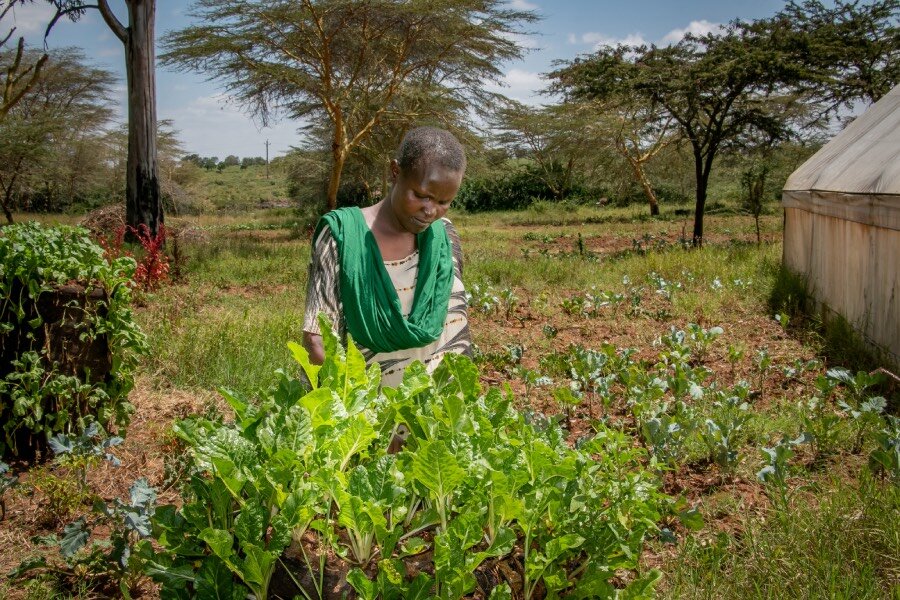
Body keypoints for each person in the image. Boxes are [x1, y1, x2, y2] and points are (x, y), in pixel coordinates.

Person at [302, 126, 471, 387]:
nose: (430, 211)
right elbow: (318, 340)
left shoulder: (445, 235)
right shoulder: (342, 236)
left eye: (443, 201)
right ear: (395, 171)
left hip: (440, 413)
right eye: (421, 195)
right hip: (371, 415)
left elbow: (452, 320)